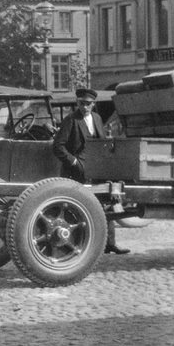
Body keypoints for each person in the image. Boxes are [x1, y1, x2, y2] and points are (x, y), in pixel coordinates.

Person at [51, 87, 129, 255]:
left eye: (88, 104)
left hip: (95, 169)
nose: (84, 107)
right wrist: (73, 161)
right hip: (75, 172)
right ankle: (76, 246)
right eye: (81, 103)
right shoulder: (71, 120)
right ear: (77, 103)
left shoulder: (97, 119)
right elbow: (58, 146)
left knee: (104, 204)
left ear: (93, 104)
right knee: (77, 209)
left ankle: (109, 243)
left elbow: (101, 143)